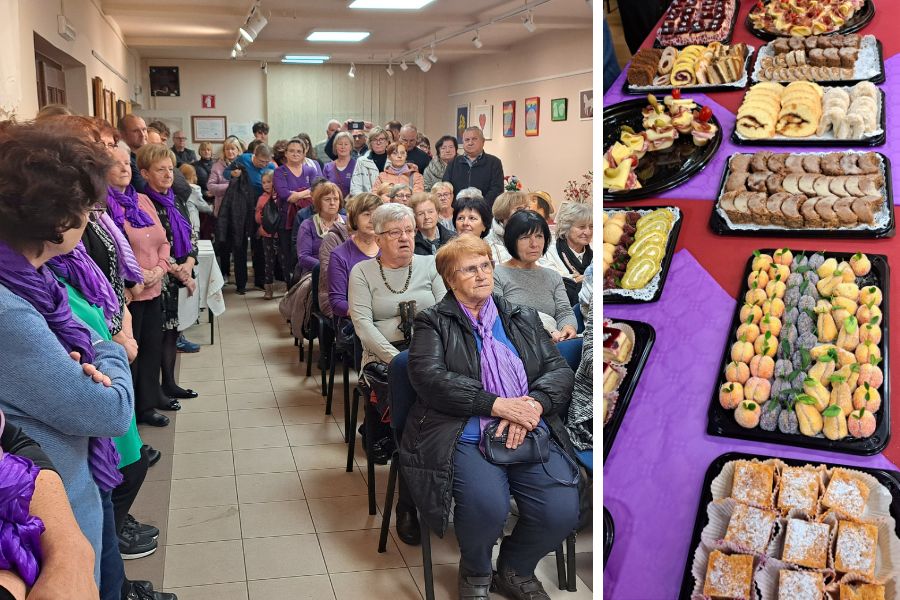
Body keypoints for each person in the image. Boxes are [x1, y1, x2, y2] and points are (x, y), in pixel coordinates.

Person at [400, 234, 579, 600]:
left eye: (485, 265)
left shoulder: (521, 316)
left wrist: (532, 405)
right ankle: (476, 572)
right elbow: (430, 379)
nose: (482, 274)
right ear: (451, 280)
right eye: (470, 269)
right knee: (487, 508)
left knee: (562, 509)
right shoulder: (432, 322)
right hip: (463, 431)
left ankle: (514, 569)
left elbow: (558, 371)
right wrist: (498, 405)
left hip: (528, 426)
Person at [0, 122, 134, 586]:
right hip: (51, 512)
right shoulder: (9, 310)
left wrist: (87, 359)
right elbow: (108, 409)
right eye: (84, 208)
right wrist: (109, 351)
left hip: (68, 489)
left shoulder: (33, 280)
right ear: (57, 219)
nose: (90, 217)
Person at [347, 203, 446, 546]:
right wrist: (398, 361)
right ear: (378, 237)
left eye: (409, 231)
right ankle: (407, 506)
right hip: (384, 361)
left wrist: (432, 357)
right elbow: (363, 325)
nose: (405, 238)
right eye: (395, 232)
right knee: (418, 419)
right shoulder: (361, 272)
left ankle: (448, 490)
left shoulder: (430, 264)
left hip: (432, 354)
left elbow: (447, 314)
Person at [136, 144, 200, 416]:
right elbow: (154, 245)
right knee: (158, 334)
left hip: (179, 272)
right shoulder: (143, 202)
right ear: (145, 173)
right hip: (161, 277)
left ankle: (170, 383)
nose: (167, 174)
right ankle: (156, 391)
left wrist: (189, 262)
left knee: (173, 331)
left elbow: (190, 234)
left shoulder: (176, 199)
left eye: (170, 169)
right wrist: (177, 269)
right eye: (160, 170)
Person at [494, 211, 578, 342]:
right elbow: (499, 316)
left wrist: (568, 327)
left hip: (555, 344)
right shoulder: (496, 274)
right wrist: (546, 332)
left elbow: (564, 312)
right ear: (511, 240)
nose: (534, 244)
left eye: (539, 236)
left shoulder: (553, 276)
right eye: (525, 237)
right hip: (516, 344)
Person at [274, 139, 321, 286]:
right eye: (292, 151)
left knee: (307, 253)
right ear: (286, 153)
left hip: (309, 219)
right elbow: (285, 195)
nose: (295, 154)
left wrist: (296, 194)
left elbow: (317, 191)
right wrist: (306, 192)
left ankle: (307, 286)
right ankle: (291, 288)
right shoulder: (279, 172)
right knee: (289, 255)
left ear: (304, 153)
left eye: (299, 151)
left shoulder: (311, 170)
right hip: (286, 220)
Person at [327, 193, 382, 321]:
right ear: (354, 219)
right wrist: (366, 314)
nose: (372, 220)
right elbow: (337, 302)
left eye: (376, 215)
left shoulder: (389, 247)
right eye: (366, 214)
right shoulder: (339, 255)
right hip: (357, 320)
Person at [540, 202, 593, 306]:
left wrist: (577, 278)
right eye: (582, 227)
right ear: (566, 228)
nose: (588, 232)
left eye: (591, 227)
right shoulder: (548, 252)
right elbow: (553, 283)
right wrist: (584, 278)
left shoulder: (596, 254)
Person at [443, 126, 504, 207]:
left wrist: (480, 207)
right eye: (467, 140)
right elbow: (446, 187)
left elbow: (496, 190)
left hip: (484, 212)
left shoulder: (494, 163)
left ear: (483, 141)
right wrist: (457, 206)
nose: (470, 143)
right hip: (457, 211)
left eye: (474, 139)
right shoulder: (453, 163)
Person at [296, 182, 344, 278]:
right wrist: (329, 267)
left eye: (336, 199)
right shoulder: (307, 225)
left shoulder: (348, 223)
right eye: (327, 199)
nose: (332, 203)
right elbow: (303, 257)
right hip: (315, 273)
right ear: (319, 202)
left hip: (345, 272)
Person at [485, 191, 532, 264]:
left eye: (527, 208)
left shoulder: (536, 235)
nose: (526, 213)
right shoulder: (489, 244)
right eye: (519, 209)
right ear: (503, 212)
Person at [254, 170, 278, 299]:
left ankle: (288, 288)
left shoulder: (280, 197)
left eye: (269, 181)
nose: (266, 185)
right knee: (268, 262)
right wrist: (262, 222)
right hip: (267, 235)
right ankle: (268, 289)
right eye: (264, 182)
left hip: (280, 235)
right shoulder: (262, 198)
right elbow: (257, 216)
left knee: (284, 262)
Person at [349, 127, 391, 195]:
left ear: (387, 142)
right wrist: (368, 200)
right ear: (370, 143)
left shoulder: (394, 160)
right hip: (368, 202)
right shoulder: (361, 161)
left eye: (381, 139)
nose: (378, 142)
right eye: (374, 140)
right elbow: (355, 188)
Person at [178, 164, 213, 236]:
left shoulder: (176, 187)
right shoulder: (193, 189)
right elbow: (202, 206)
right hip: (192, 223)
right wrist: (212, 208)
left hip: (179, 221)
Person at [323, 132, 356, 199]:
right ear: (335, 147)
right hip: (332, 205)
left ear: (351, 147)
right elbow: (323, 189)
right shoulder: (327, 167)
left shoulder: (357, 165)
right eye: (340, 144)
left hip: (351, 205)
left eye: (346, 144)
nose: (343, 147)